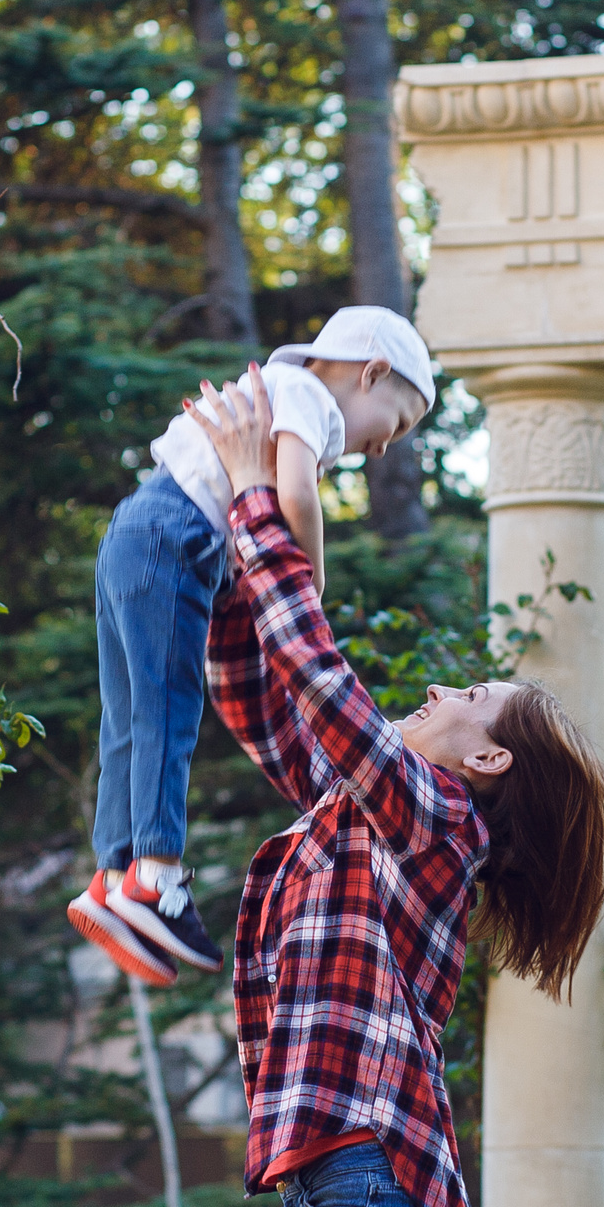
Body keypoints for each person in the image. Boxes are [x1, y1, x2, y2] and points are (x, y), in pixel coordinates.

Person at [185, 368, 604, 1207]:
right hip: (347, 1191)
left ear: (484, 765)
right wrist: (222, 529)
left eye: (468, 696)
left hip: (376, 1188)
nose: (436, 689)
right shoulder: (369, 814)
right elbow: (260, 686)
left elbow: (320, 678)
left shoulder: (436, 822)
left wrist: (251, 496)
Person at [68, 307, 434, 984]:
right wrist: (310, 575)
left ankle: (114, 875)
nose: (386, 446)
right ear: (373, 372)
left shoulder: (275, 388)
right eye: (399, 422)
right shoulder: (306, 396)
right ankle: (157, 876)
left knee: (127, 717)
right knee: (167, 713)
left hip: (135, 529)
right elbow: (293, 488)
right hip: (176, 537)